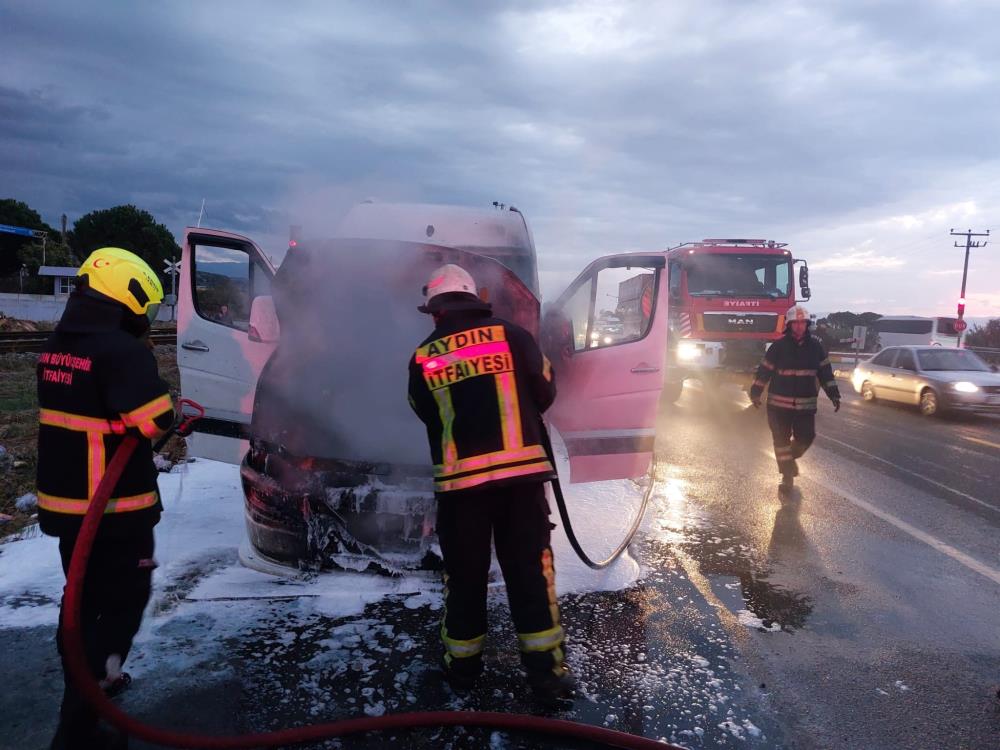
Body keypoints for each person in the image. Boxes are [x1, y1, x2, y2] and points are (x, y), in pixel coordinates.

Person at [407, 264, 575, 707]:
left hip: (461, 492)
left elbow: (423, 411)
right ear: (475, 298)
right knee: (531, 575)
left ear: (436, 310)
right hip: (522, 484)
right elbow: (546, 390)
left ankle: (462, 671)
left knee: (464, 578)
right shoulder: (513, 336)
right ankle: (547, 677)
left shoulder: (423, 356)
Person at [37, 247, 175, 750]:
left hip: (66, 505)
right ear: (128, 297)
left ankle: (88, 681)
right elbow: (156, 421)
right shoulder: (120, 351)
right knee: (122, 603)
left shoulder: (57, 346)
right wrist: (169, 402)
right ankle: (84, 713)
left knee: (81, 601)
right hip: (116, 510)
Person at [749, 304, 840, 495]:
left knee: (807, 437)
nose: (799, 326)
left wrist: (834, 394)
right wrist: (755, 392)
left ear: (807, 324)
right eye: (795, 323)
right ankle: (787, 476)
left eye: (802, 323)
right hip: (778, 407)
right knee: (781, 441)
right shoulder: (778, 347)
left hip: (805, 407)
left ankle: (789, 462)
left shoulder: (816, 348)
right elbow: (764, 371)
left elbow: (825, 373)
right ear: (789, 325)